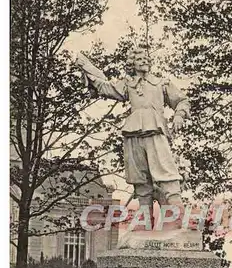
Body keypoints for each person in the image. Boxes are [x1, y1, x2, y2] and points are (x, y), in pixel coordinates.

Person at [75, 47, 190, 218]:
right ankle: (144, 221)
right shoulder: (128, 84)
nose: (144, 61)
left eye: (145, 58)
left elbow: (182, 100)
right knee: (140, 180)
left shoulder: (161, 83)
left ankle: (178, 216)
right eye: (139, 59)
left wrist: (179, 115)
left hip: (155, 131)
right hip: (133, 134)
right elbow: (106, 87)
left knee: (167, 173)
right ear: (132, 65)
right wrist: (87, 69)